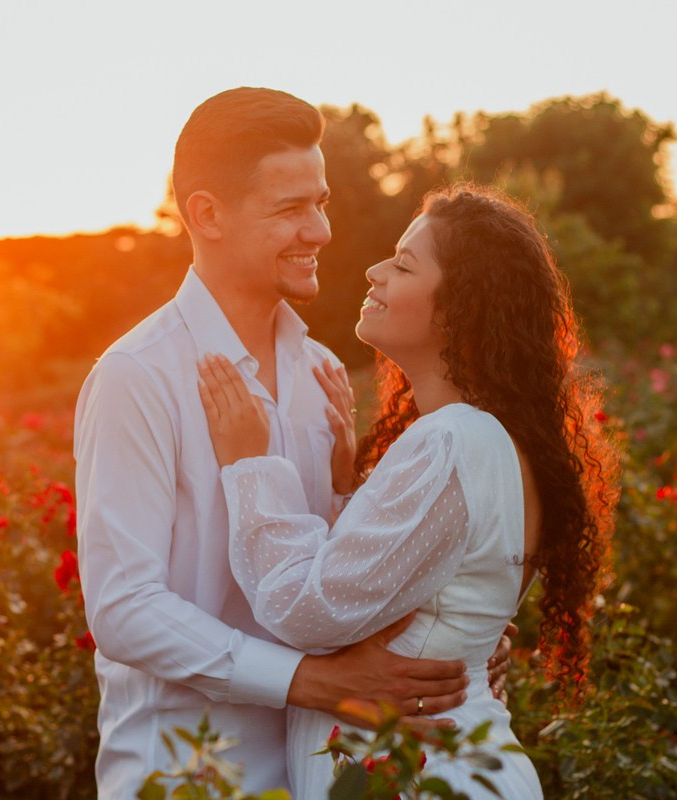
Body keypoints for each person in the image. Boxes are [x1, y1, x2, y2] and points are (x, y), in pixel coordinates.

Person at [74, 88, 489, 799]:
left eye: (320, 203)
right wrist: (312, 683)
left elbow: (336, 575)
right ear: (206, 214)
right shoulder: (135, 376)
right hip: (188, 777)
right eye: (291, 209)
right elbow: (123, 608)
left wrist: (454, 647)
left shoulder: (321, 369)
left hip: (316, 770)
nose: (321, 230)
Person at [198, 184, 618, 797]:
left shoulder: (451, 441)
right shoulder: (493, 439)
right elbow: (424, 594)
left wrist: (250, 464)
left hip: (422, 774)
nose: (373, 271)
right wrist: (347, 492)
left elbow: (306, 614)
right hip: (457, 761)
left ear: (459, 307)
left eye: (402, 263)